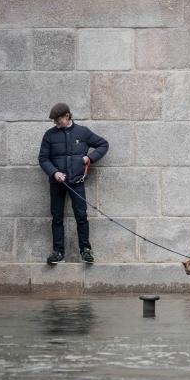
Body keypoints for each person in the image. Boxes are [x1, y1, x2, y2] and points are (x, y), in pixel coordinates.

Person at [38, 103, 109, 265]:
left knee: (81, 216)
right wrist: (54, 172)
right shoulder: (49, 135)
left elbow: (103, 144)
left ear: (67, 116)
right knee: (57, 217)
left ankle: (85, 250)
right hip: (57, 183)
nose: (56, 123)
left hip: (76, 182)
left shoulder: (82, 132)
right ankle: (58, 252)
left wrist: (90, 158)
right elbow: (43, 158)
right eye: (55, 121)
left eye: (58, 120)